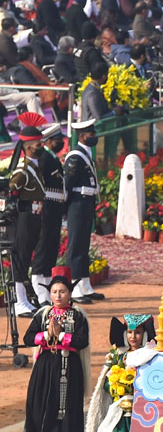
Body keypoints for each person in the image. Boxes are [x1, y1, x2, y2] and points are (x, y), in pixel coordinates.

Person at [23, 266, 90, 432]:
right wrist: (45, 335)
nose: (58, 295)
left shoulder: (78, 315)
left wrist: (60, 335)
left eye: (62, 291)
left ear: (69, 293)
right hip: (45, 367)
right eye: (54, 292)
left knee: (65, 410)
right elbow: (28, 338)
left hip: (68, 369)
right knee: (42, 406)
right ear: (49, 293)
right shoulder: (43, 314)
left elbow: (81, 341)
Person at [8, 114, 48, 316]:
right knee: (20, 258)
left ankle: (25, 299)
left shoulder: (34, 167)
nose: (41, 146)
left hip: (34, 216)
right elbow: (12, 189)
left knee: (26, 258)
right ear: (28, 145)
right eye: (38, 143)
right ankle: (18, 301)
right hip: (24, 217)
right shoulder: (23, 170)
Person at [63, 119, 103, 304]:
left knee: (84, 246)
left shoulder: (85, 154)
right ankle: (73, 287)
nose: (94, 136)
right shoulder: (75, 156)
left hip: (87, 202)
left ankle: (85, 285)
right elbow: (67, 185)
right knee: (75, 247)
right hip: (77, 204)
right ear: (82, 136)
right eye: (90, 134)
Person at [30, 121, 67, 306]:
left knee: (51, 250)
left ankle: (45, 289)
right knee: (43, 250)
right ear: (48, 141)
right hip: (46, 210)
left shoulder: (51, 158)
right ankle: (38, 291)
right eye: (57, 140)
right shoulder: (44, 159)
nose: (61, 143)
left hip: (55, 211)